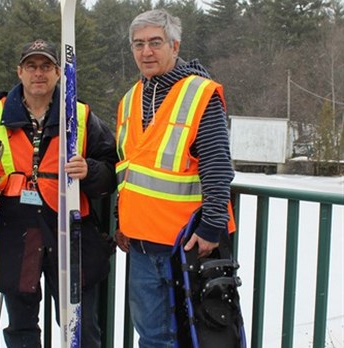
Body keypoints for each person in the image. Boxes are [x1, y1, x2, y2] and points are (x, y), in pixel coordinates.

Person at [0, 39, 117, 348]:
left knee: (80, 331)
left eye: (46, 66)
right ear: (20, 72)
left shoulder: (81, 117)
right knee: (21, 332)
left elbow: (111, 171)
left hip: (70, 236)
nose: (38, 73)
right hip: (17, 236)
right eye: (31, 66)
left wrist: (91, 171)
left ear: (59, 73)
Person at [113, 9, 236, 348]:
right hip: (140, 241)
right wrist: (120, 219)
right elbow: (128, 166)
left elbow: (216, 164)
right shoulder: (129, 100)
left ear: (175, 45)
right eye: (138, 44)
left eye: (155, 42)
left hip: (188, 244)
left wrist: (211, 226)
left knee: (196, 335)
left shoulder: (199, 94)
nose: (146, 52)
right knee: (152, 336)